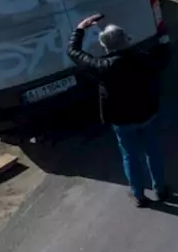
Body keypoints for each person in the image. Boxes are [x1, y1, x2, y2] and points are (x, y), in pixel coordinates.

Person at [68, 14, 170, 207]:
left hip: (121, 120)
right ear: (127, 40)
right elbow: (164, 56)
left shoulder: (102, 66)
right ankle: (161, 189)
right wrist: (162, 32)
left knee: (130, 156)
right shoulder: (143, 59)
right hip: (147, 113)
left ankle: (138, 195)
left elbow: (73, 52)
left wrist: (80, 29)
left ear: (105, 47)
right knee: (153, 151)